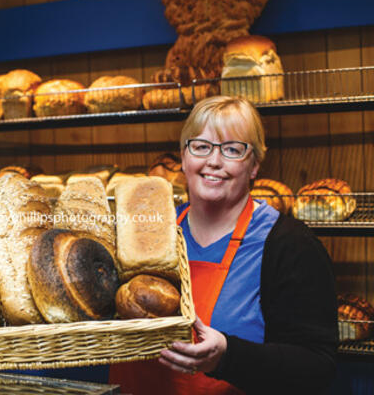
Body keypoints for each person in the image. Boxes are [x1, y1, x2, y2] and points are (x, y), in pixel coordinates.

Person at [109, 96, 338, 394]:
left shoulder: (290, 246)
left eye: (232, 149)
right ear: (184, 156)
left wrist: (227, 356)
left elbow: (318, 367)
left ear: (254, 165)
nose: (213, 161)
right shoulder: (147, 236)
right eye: (201, 147)